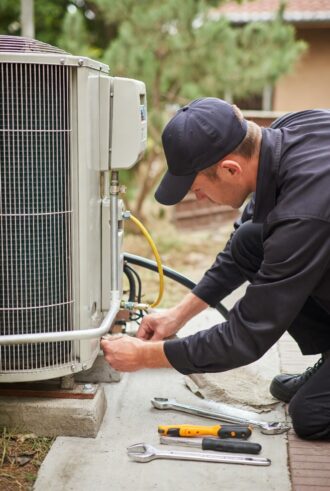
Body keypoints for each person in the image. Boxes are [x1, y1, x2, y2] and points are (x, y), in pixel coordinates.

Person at [101, 98, 330, 440]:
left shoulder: (303, 214)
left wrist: (146, 356)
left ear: (230, 169)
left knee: (310, 416)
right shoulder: (290, 129)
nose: (199, 199)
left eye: (198, 189)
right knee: (251, 241)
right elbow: (241, 249)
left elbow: (246, 337)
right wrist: (177, 315)